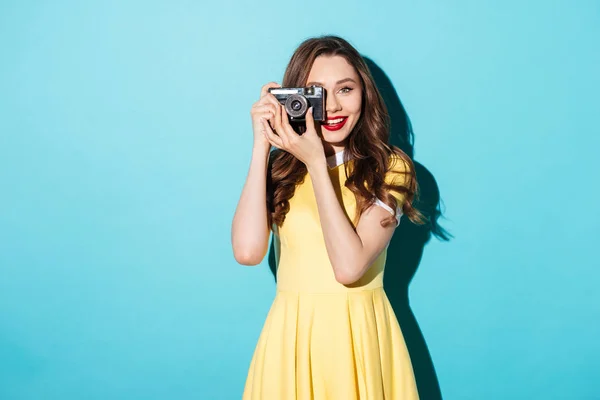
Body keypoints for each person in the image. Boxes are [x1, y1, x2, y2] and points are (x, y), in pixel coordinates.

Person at [231, 35, 426, 399]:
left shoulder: (391, 169)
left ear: (364, 95)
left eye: (346, 89)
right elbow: (247, 252)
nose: (333, 107)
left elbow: (349, 268)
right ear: (295, 99)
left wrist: (317, 164)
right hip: (290, 338)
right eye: (317, 93)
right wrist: (261, 144)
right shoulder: (282, 169)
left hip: (359, 339)